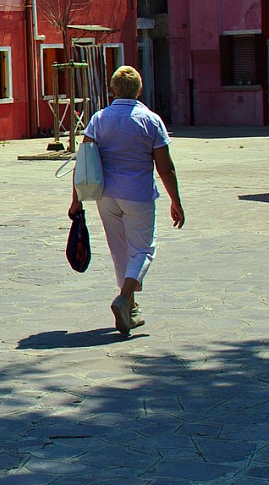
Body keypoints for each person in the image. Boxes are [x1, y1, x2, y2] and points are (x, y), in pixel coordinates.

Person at [68, 66, 184, 337]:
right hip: (138, 195)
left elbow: (83, 162)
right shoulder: (151, 120)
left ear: (113, 89)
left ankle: (130, 307)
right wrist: (175, 200)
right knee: (143, 249)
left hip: (106, 195)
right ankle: (124, 298)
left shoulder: (99, 119)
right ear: (139, 90)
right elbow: (165, 167)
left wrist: (76, 200)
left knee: (119, 250)